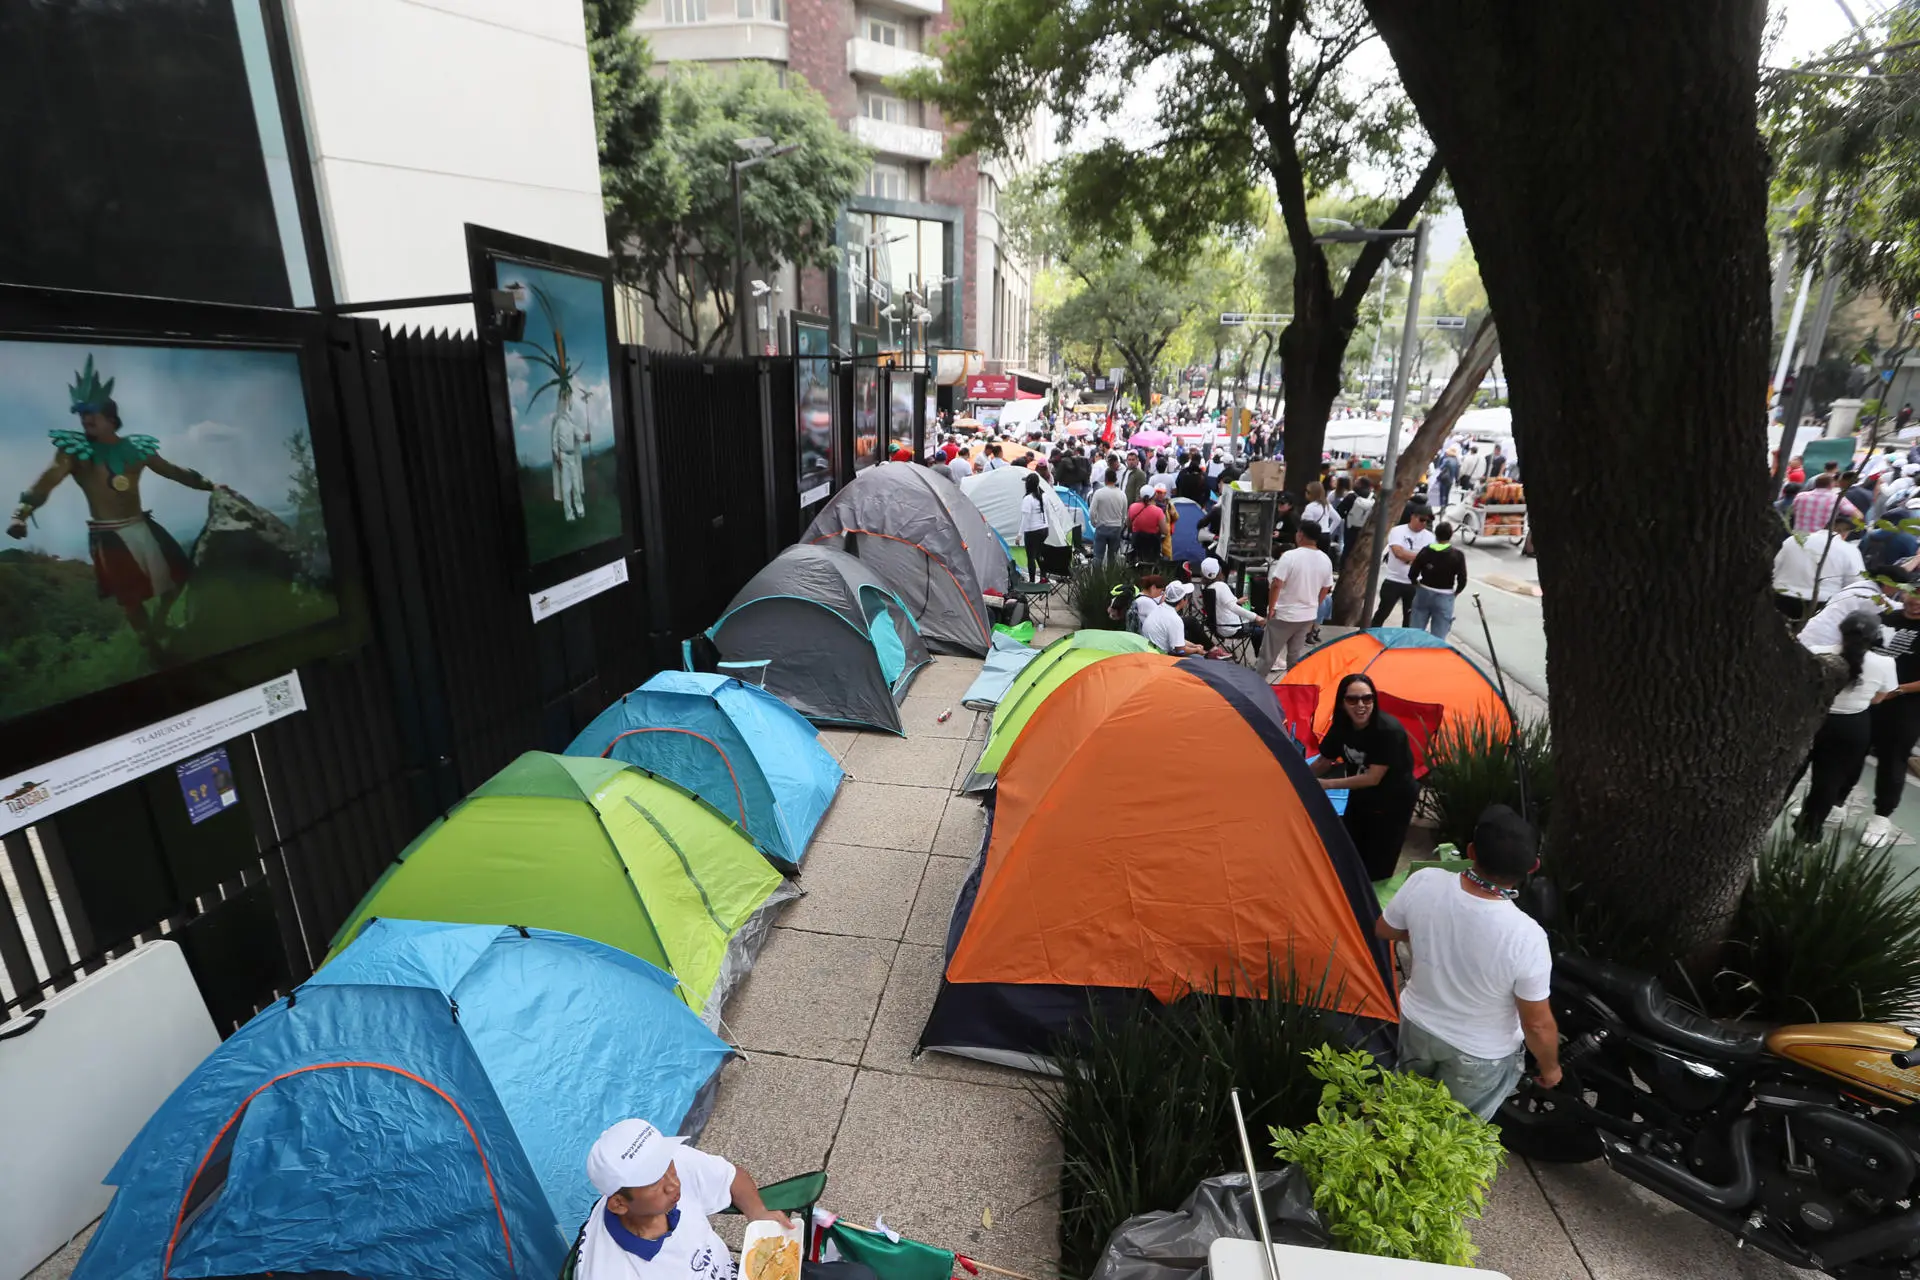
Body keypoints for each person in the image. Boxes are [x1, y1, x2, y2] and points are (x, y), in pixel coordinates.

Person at [8, 355, 224, 658]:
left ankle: (160, 623)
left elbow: (173, 471)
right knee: (131, 599)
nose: (84, 419)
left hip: (141, 524)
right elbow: (46, 482)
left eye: (91, 412)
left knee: (178, 577)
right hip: (109, 534)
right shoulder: (74, 452)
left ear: (111, 417)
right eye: (81, 413)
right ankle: (150, 647)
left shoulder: (137, 449)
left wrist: (210, 486)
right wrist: (21, 515)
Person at [1374, 805, 1559, 1120]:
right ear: (1533, 867)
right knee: (1450, 1139)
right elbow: (1537, 1023)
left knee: (1400, 1116)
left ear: (1472, 851)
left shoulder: (1426, 881)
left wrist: (1426, 934)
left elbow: (1384, 929)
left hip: (1417, 1025)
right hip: (1478, 1053)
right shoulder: (1528, 937)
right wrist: (1551, 1068)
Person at [575, 1118, 877, 1280]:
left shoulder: (671, 1163)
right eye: (656, 1182)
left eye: (668, 1168)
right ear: (618, 1204)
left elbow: (733, 1177)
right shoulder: (610, 1271)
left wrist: (758, 1213)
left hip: (744, 1272)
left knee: (860, 1276)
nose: (673, 1184)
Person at [1795, 611, 1900, 839]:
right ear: (1876, 636)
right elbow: (1880, 697)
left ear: (1841, 630)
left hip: (1811, 721)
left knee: (1789, 774)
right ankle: (1808, 834)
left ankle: (1762, 824)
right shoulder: (1885, 663)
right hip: (1852, 725)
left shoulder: (1817, 653)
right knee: (1828, 782)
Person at [1311, 673, 1420, 881]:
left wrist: (1326, 784)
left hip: (1392, 800)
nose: (1360, 705)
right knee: (1349, 848)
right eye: (1352, 699)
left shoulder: (1387, 731)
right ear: (1342, 702)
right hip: (1361, 794)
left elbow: (1373, 778)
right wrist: (1295, 780)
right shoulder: (1342, 726)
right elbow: (1323, 762)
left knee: (1377, 864)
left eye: (1367, 698)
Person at [1259, 525, 1333, 678]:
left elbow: (1276, 583)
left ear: (1300, 535)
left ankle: (1255, 689)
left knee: (1268, 656)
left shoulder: (1290, 556)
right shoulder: (1325, 559)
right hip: (1307, 615)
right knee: (1294, 657)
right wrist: (1315, 606)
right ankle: (1292, 689)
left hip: (1285, 613)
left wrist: (1271, 607)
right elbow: (1326, 588)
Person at [1370, 508, 1435, 628]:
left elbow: (1430, 558)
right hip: (1394, 580)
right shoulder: (1398, 531)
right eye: (1422, 520)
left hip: (1415, 583)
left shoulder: (1430, 537)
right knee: (1382, 613)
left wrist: (1410, 558)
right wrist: (1420, 557)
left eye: (1427, 521)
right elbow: (1398, 553)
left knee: (1410, 619)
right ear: (1413, 517)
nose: (1424, 523)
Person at [1407, 521, 1469, 639]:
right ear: (1451, 535)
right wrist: (1455, 593)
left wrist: (1417, 584)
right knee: (1439, 636)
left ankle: (1413, 652)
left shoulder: (1425, 551)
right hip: (1445, 596)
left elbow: (1412, 574)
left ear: (1436, 534)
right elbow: (1462, 579)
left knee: (1415, 633)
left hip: (1424, 592)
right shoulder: (1457, 555)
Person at [1199, 556, 1264, 655]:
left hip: (1217, 627)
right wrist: (1256, 617)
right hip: (1231, 629)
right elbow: (1233, 608)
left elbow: (1220, 604)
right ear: (1218, 570)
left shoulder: (1205, 587)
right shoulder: (1221, 586)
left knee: (1255, 623)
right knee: (1260, 630)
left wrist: (1236, 601)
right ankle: (1261, 657)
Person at [1142, 580, 1205, 654]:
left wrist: (1194, 645)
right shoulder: (1175, 619)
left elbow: (1177, 641)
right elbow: (1180, 651)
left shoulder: (1159, 608)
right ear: (1182, 600)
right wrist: (1196, 650)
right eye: (1187, 596)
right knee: (1199, 658)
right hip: (1159, 656)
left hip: (1147, 650)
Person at [1089, 466, 1127, 563]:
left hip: (1102, 527)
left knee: (1098, 557)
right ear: (1116, 479)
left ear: (1105, 479)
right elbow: (1124, 515)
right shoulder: (1122, 494)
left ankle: (1096, 577)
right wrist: (1121, 525)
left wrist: (1094, 523)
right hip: (1116, 528)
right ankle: (1111, 575)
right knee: (1113, 557)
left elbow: (1092, 511)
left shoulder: (1099, 493)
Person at [1018, 472, 1050, 580]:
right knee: (1040, 554)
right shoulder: (1044, 495)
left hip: (1032, 531)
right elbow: (1047, 512)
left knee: (1031, 557)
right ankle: (1043, 576)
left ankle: (1032, 581)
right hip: (1044, 529)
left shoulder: (1028, 499)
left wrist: (1019, 535)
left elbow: (1025, 518)